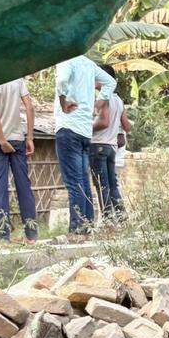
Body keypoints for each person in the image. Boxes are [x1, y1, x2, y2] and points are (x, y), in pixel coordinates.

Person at [53, 55, 116, 235]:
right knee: (83, 181)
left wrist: (63, 101)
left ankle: (76, 229)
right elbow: (110, 82)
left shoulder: (66, 59)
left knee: (74, 183)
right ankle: (86, 227)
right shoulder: (89, 64)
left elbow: (62, 80)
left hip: (68, 127)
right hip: (85, 131)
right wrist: (100, 100)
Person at [0, 78, 38, 242]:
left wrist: (2, 141)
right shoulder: (17, 80)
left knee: (0, 188)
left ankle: (3, 236)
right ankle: (31, 234)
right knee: (24, 186)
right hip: (17, 139)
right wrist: (30, 137)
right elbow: (30, 107)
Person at [90, 89, 130, 223]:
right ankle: (121, 217)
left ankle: (108, 220)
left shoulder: (102, 98)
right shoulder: (119, 100)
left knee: (102, 186)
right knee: (113, 185)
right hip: (111, 147)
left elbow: (103, 122)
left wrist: (85, 128)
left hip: (97, 144)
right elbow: (126, 126)